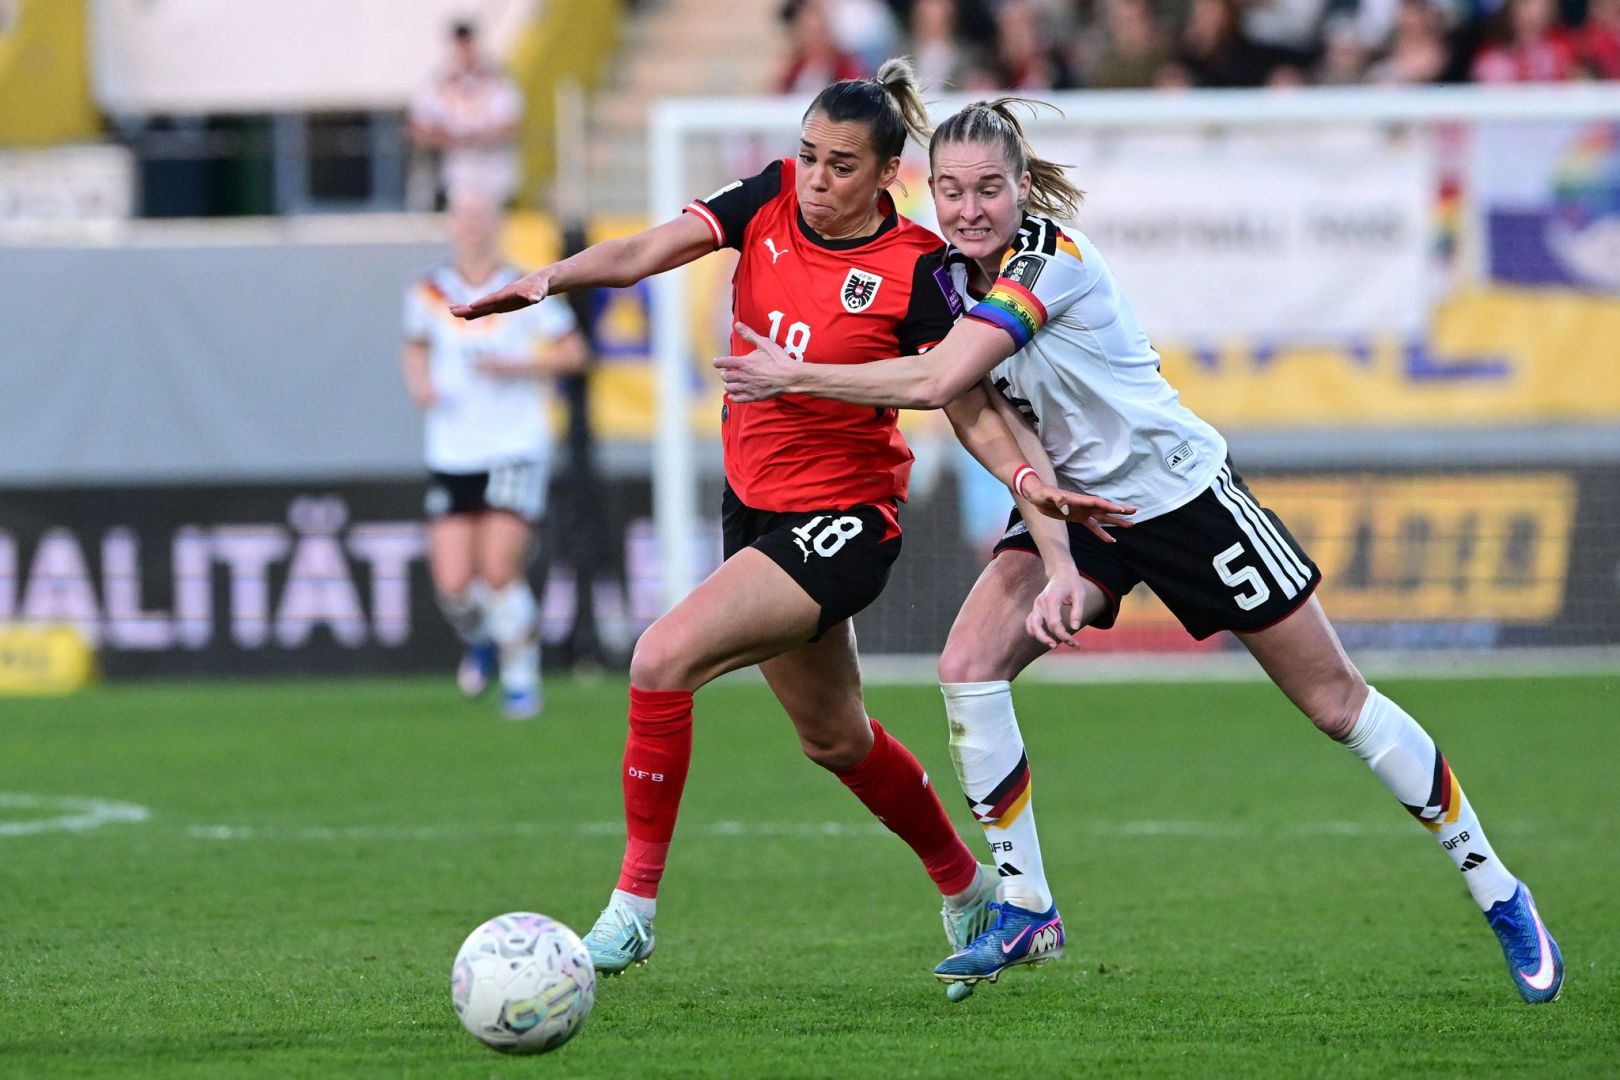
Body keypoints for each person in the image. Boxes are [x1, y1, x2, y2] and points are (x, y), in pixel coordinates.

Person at [716, 98, 1565, 1005]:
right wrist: (1059, 555)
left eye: (989, 190)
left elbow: (936, 381)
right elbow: (994, 426)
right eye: (952, 190)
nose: (968, 210)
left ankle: (1499, 890)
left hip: (1180, 498)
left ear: (1022, 186)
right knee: (967, 664)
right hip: (1075, 506)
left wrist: (794, 373)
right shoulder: (944, 278)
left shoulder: (1052, 261)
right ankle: (1027, 903)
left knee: (1335, 704)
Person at [449, 62, 1130, 976]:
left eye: (840, 165)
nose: (815, 177)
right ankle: (967, 889)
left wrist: (1031, 496)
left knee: (659, 658)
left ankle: (632, 907)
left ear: (888, 173)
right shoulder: (767, 200)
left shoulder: (920, 270)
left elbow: (964, 402)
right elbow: (649, 250)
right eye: (807, 155)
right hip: (757, 510)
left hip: (847, 522)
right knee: (834, 737)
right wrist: (550, 279)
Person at [402, 195, 587, 719]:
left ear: (498, 225)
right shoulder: (428, 291)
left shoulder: (526, 287)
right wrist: (419, 383)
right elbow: (414, 347)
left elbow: (575, 354)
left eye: (483, 217)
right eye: (465, 217)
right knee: (454, 585)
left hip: (513, 446)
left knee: (499, 571)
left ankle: (522, 680)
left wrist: (516, 366)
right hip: (453, 449)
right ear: (451, 226)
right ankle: (481, 639)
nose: (474, 228)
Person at [408, 21, 524, 206]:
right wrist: (451, 138)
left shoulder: (498, 82)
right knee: (465, 215)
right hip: (457, 166)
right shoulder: (436, 85)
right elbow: (419, 130)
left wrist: (480, 137)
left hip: (494, 164)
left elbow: (512, 125)